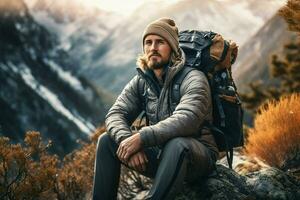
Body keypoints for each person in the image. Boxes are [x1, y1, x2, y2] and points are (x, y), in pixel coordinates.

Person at [92, 18, 219, 200]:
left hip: (197, 158)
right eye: (148, 42)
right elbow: (115, 113)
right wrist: (128, 141)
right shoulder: (142, 81)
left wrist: (142, 138)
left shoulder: (193, 78)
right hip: (161, 156)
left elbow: (188, 118)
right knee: (106, 141)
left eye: (160, 42)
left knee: (177, 144)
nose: (153, 47)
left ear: (173, 48)